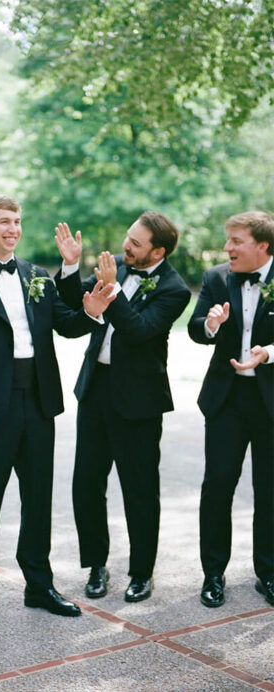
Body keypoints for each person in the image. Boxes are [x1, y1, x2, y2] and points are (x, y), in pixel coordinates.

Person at [0, 194, 116, 631]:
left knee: (38, 500)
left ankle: (39, 585)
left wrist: (91, 310)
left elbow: (68, 325)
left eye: (17, 221)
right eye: (3, 222)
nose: (13, 229)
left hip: (38, 403)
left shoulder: (38, 275)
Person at [53, 214, 190, 603]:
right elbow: (71, 301)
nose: (125, 247)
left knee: (140, 490)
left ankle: (142, 573)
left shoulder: (174, 289)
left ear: (158, 251)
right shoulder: (116, 264)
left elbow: (140, 330)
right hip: (96, 390)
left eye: (136, 243)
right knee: (87, 484)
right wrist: (70, 266)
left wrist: (112, 290)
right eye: (127, 238)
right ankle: (96, 565)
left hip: (139, 402)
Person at [188, 210, 274, 608]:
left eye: (235, 241)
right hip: (226, 401)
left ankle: (269, 572)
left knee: (270, 491)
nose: (227, 248)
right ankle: (213, 575)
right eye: (227, 241)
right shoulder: (217, 277)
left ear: (263, 246)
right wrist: (211, 324)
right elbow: (195, 330)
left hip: (270, 401)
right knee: (218, 486)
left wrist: (269, 353)